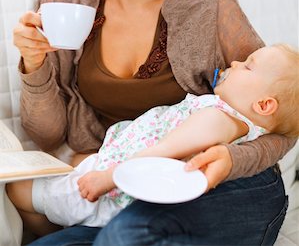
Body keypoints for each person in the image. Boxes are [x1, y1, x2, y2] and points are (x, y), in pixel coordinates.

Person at [13, 0, 295, 245]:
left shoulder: (209, 3)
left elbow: (284, 115)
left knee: (129, 236)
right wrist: (34, 64)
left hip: (222, 184)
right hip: (122, 192)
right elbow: (46, 135)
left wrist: (232, 158)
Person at [7, 44, 299, 237]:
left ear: (264, 106)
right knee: (60, 173)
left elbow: (164, 152)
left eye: (247, 66)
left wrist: (108, 177)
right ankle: (62, 223)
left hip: (111, 191)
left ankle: (50, 231)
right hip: (112, 176)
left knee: (18, 191)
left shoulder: (217, 120)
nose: (234, 61)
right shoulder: (227, 120)